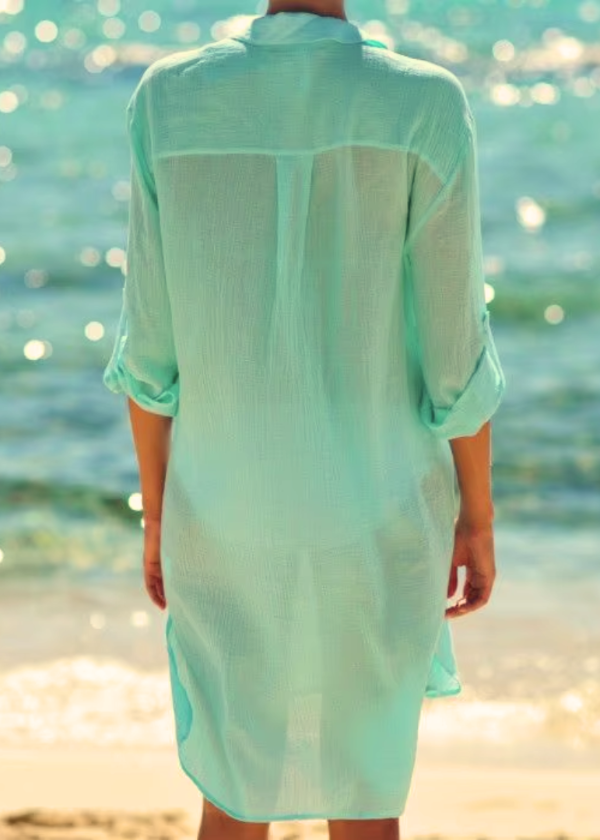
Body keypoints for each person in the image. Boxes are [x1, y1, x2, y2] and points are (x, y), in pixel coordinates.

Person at [102, 0, 506, 837]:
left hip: (223, 509)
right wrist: (478, 515)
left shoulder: (168, 98)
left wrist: (159, 513)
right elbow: (455, 355)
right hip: (379, 512)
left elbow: (151, 352)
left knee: (231, 803)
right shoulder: (424, 103)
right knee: (364, 806)